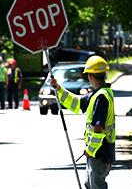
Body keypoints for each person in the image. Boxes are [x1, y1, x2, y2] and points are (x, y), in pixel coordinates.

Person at [50, 55, 115, 189]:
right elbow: (76, 103)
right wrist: (58, 88)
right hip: (99, 152)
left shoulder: (101, 98)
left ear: (90, 76)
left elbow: (98, 127)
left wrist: (90, 149)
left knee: (96, 186)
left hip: (99, 153)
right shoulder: (98, 94)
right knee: (90, 185)